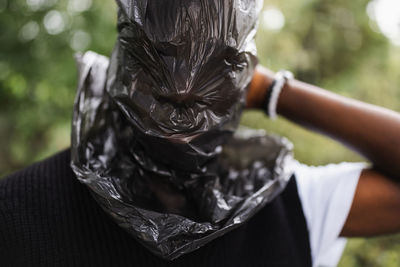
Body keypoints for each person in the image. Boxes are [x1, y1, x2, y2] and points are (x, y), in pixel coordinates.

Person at [1, 1, 400, 267]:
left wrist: (275, 91)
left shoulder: (290, 203)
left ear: (245, 74)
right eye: (159, 55)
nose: (183, 87)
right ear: (122, 59)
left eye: (218, 61)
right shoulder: (17, 214)